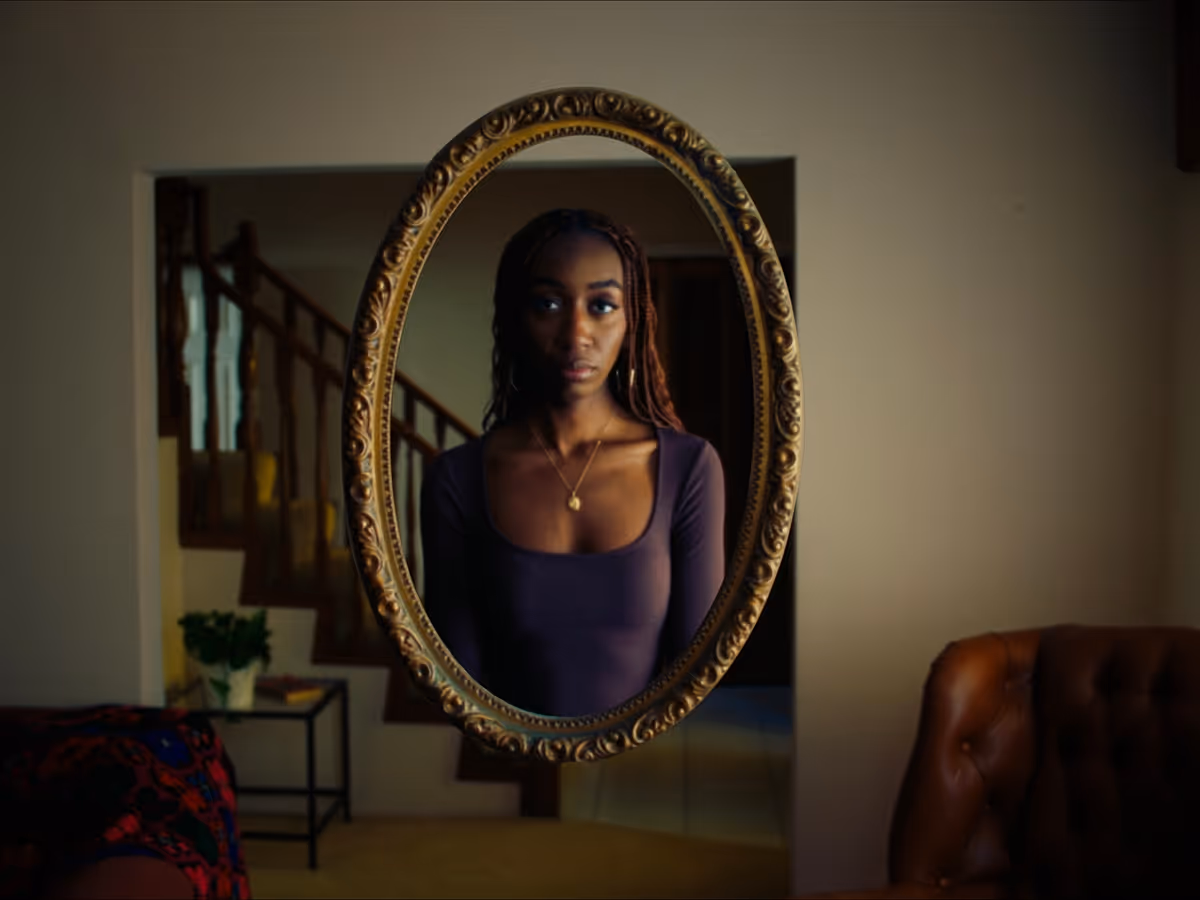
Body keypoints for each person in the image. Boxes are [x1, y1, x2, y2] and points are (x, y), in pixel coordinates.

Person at [419, 208, 725, 718]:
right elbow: (457, 677)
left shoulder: (690, 469)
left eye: (602, 305)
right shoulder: (457, 479)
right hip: (511, 768)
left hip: (648, 769)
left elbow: (699, 671)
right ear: (516, 318)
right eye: (548, 303)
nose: (576, 332)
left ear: (633, 321)